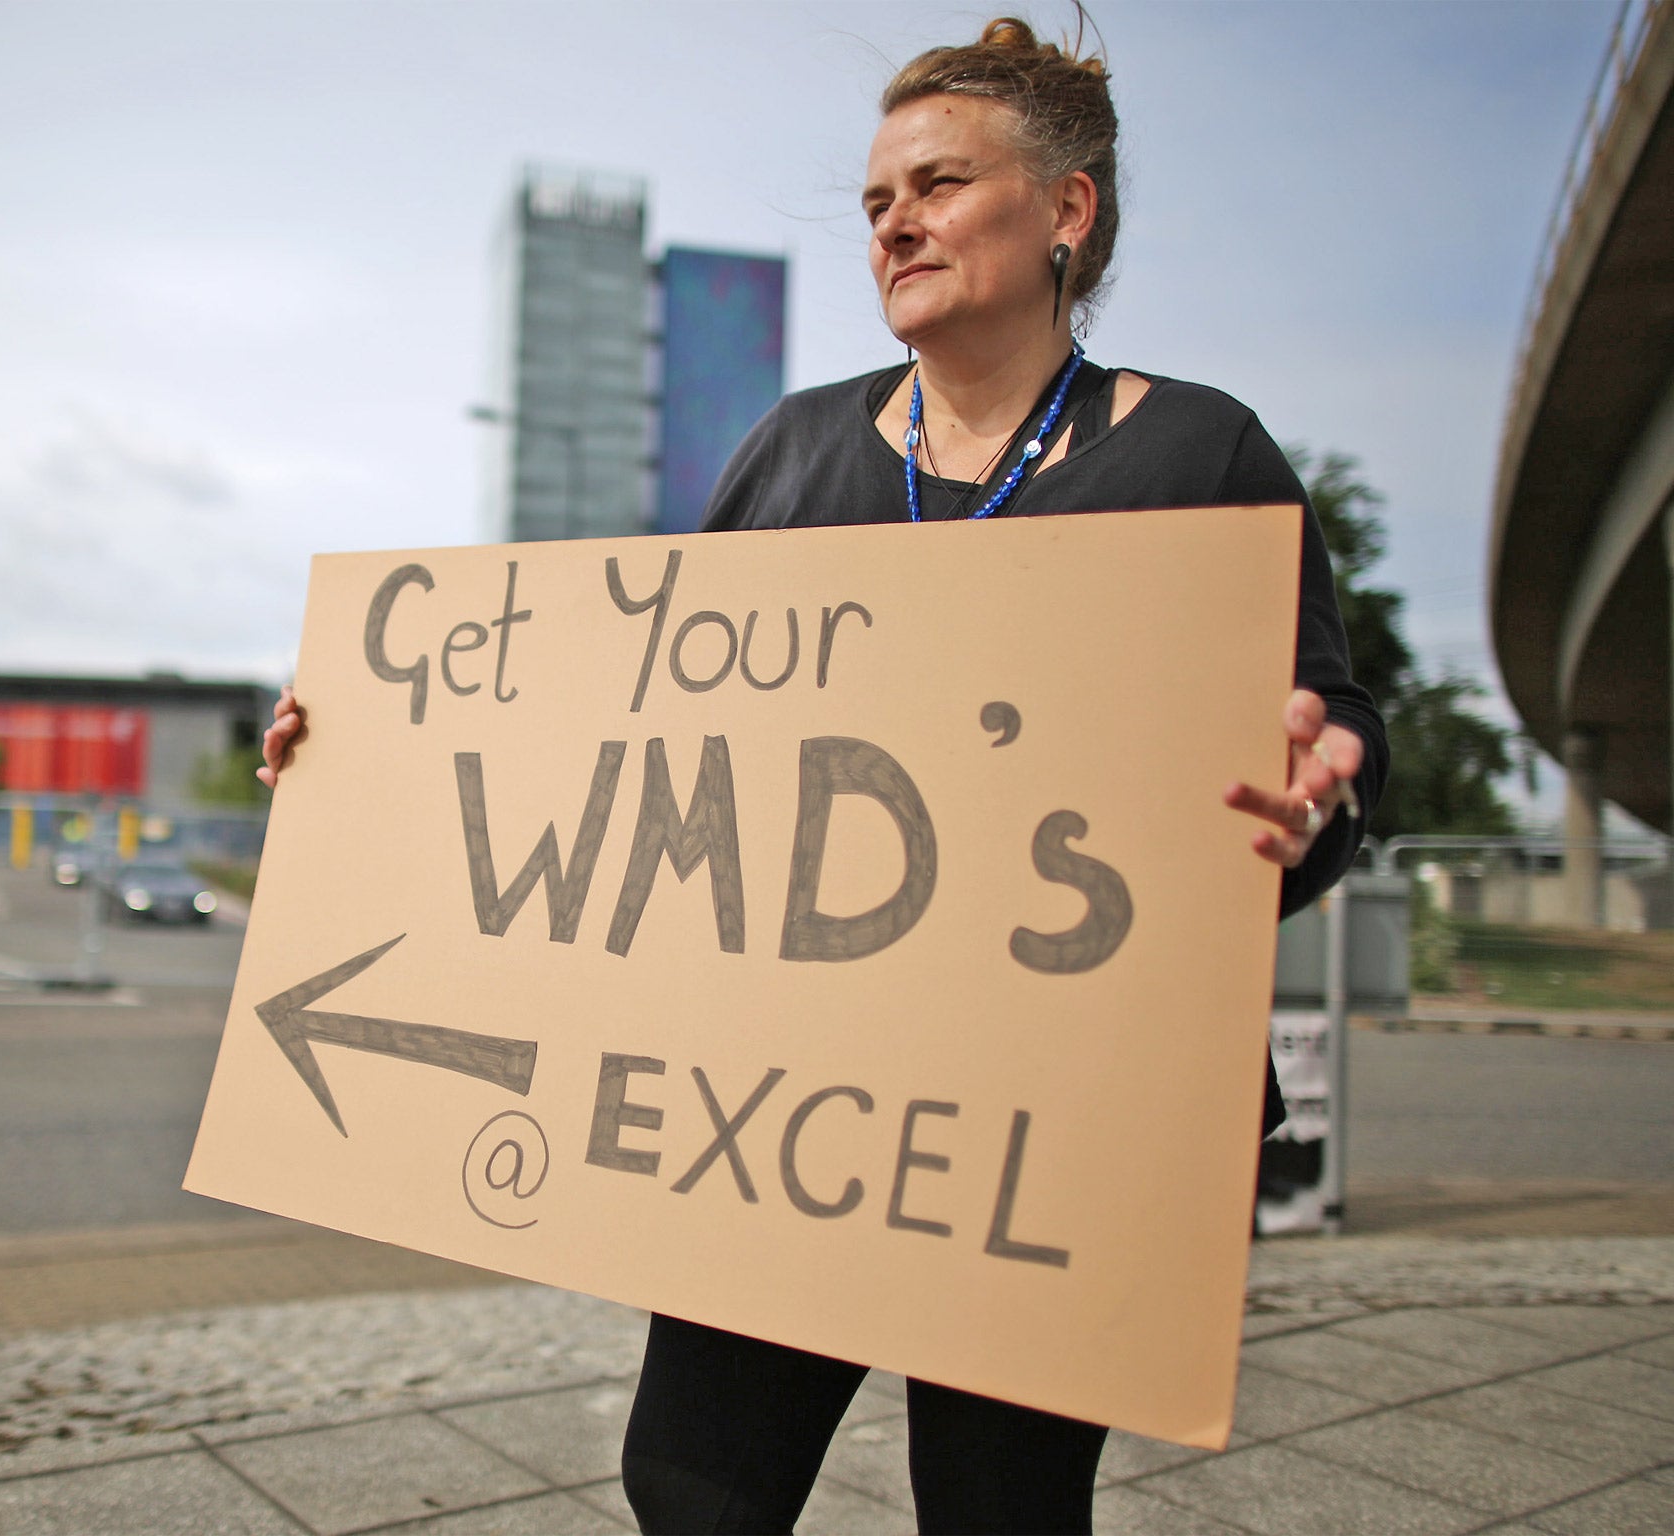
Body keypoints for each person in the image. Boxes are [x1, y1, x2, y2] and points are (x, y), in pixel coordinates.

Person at [262, 16, 1385, 1533]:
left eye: (936, 183)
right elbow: (628, 750)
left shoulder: (1201, 456)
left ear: (1067, 210)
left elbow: (1325, 763)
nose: (894, 223)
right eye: (873, 201)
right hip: (776, 1116)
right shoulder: (792, 452)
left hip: (1048, 1136)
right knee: (689, 1487)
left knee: (1001, 1510)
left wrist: (1313, 803)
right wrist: (367, 762)